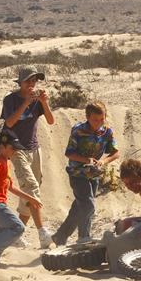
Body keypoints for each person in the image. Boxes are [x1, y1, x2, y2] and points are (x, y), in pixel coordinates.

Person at [1, 66, 55, 249]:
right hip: (15, 148)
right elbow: (9, 122)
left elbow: (50, 121)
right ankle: (42, 232)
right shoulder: (11, 99)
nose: (32, 84)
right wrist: (25, 103)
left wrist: (44, 102)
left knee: (31, 190)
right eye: (28, 81)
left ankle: (16, 233)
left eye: (34, 81)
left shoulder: (37, 101)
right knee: (30, 187)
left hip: (34, 148)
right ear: (21, 83)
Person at [52, 101, 120, 246]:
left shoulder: (107, 131)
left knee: (79, 207)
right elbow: (69, 153)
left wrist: (104, 161)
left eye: (102, 119)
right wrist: (86, 159)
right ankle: (84, 237)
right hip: (77, 173)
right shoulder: (78, 130)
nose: (99, 123)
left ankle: (60, 236)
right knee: (88, 206)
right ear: (88, 117)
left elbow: (115, 153)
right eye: (96, 120)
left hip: (94, 174)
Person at [0, 130, 43, 267]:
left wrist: (30, 198)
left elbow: (11, 188)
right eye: (12, 148)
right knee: (18, 227)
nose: (14, 151)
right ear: (2, 147)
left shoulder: (5, 163)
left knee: (0, 238)